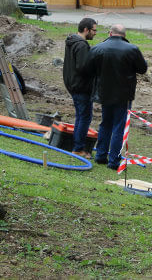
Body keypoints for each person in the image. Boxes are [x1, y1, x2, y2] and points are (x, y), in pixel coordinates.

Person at [83, 24, 147, 170]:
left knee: (105, 123)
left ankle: (100, 156)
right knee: (119, 126)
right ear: (124, 35)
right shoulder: (132, 49)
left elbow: (87, 68)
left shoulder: (98, 48)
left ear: (110, 33)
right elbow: (143, 69)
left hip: (104, 93)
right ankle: (113, 161)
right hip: (124, 95)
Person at [63, 17, 97, 158]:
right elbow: (83, 68)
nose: (95, 33)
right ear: (86, 29)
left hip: (73, 85)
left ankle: (77, 145)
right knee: (84, 117)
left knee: (80, 116)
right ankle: (78, 148)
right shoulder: (82, 45)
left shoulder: (72, 41)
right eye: (94, 30)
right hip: (81, 87)